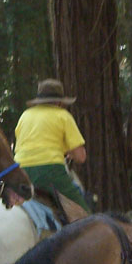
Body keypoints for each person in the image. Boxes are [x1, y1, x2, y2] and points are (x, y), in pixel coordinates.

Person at [13, 78, 92, 212]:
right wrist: (68, 151)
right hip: (50, 171)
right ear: (59, 102)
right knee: (86, 216)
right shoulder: (63, 116)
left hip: (20, 171)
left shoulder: (24, 116)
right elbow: (80, 157)